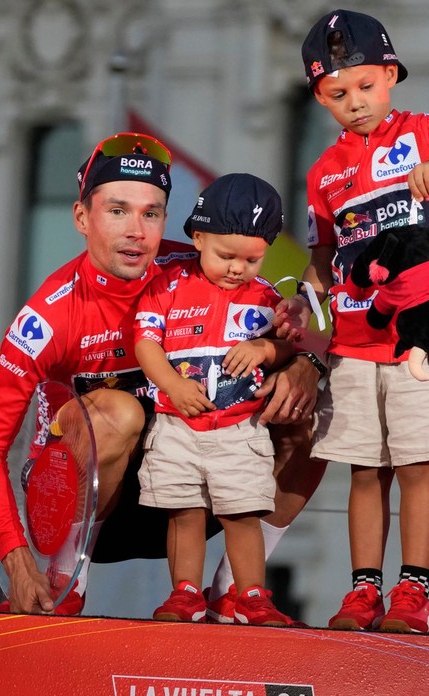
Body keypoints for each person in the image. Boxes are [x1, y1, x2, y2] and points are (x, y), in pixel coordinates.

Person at [0, 132, 326, 616]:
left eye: (151, 213)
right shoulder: (48, 317)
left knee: (317, 412)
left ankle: (232, 591)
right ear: (81, 218)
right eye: (117, 211)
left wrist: (306, 363)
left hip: (197, 485)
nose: (136, 230)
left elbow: (297, 317)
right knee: (118, 410)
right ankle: (66, 577)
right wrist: (16, 559)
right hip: (89, 507)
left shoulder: (204, 264)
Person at [278, 9, 429, 632]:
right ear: (320, 97)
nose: (356, 103)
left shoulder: (422, 130)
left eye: (366, 86)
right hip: (352, 339)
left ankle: (414, 594)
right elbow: (324, 252)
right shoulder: (323, 173)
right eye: (337, 94)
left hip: (417, 341)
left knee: (417, 465)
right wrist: (303, 297)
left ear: (391, 75)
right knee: (365, 470)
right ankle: (363, 591)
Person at [135, 173, 297, 626]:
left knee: (242, 512)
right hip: (176, 424)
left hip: (240, 428)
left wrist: (266, 349)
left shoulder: (266, 297)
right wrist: (172, 384)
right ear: (198, 236)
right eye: (226, 255)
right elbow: (145, 342)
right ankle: (185, 593)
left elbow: (290, 345)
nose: (236, 268)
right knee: (184, 512)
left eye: (252, 259)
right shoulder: (166, 285)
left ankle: (250, 597)